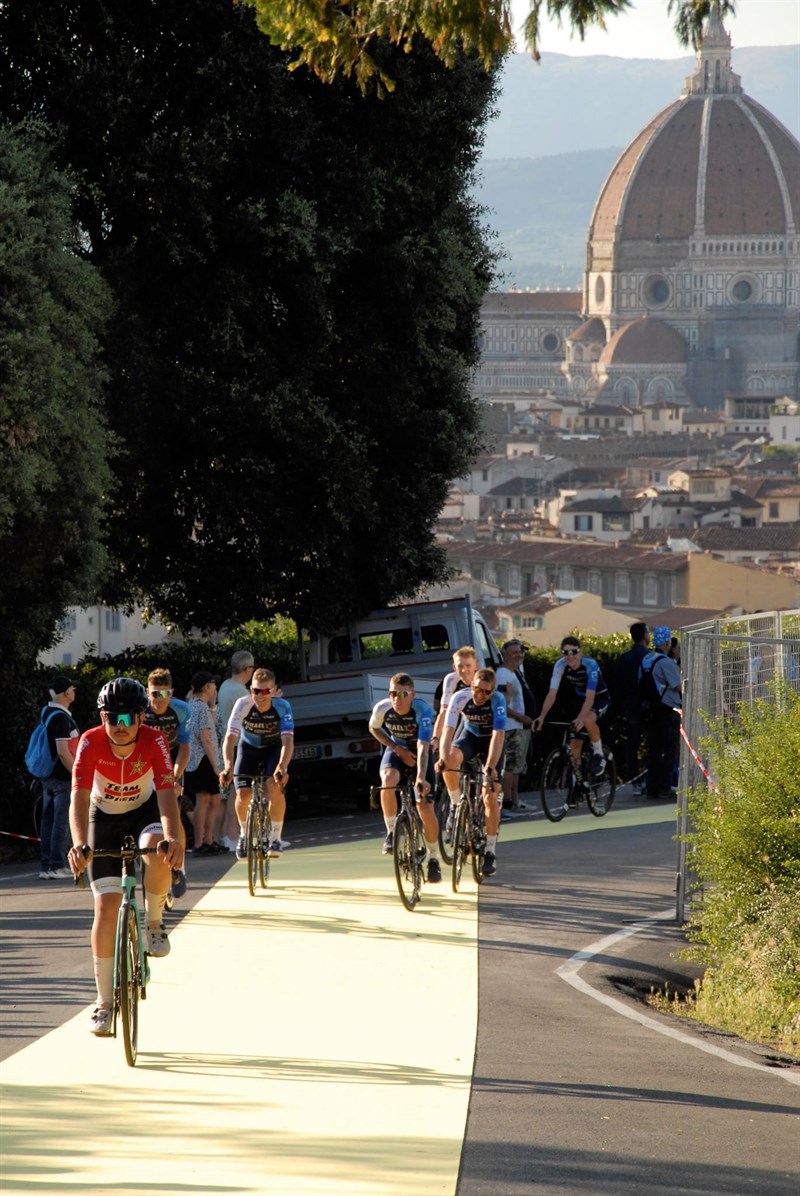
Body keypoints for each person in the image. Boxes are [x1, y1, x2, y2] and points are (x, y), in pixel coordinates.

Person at [67, 677, 184, 1036]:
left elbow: (166, 795)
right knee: (105, 908)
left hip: (145, 810)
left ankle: (152, 923)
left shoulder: (154, 740)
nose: (120, 727)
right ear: (102, 718)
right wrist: (79, 844)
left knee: (158, 848)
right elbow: (79, 797)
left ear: (140, 718)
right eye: (112, 718)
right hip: (102, 817)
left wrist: (173, 837)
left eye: (128, 719)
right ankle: (104, 1003)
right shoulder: (90, 742)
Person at [368, 672, 440, 883]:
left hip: (421, 752)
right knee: (388, 780)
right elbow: (373, 728)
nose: (397, 699)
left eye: (402, 694)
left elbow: (423, 746)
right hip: (398, 748)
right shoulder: (383, 708)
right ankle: (391, 832)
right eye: (393, 694)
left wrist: (420, 777)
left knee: (425, 807)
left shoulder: (422, 710)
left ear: (412, 694)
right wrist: (396, 749)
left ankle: (434, 857)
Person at [438, 667, 506, 878]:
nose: (480, 695)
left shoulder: (498, 702)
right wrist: (441, 758)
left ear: (492, 692)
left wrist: (491, 766)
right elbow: (448, 731)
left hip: (491, 743)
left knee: (490, 795)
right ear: (471, 686)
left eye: (486, 692)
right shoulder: (461, 697)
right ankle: (455, 805)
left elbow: (498, 736)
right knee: (450, 760)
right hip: (469, 736)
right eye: (477, 689)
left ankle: (490, 851)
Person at [220, 667, 294, 861]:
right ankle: (244, 835)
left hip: (272, 749)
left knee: (274, 786)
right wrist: (228, 766)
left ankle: (275, 838)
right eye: (255, 691)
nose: (260, 696)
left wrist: (282, 766)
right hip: (249, 749)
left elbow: (287, 742)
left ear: (273, 690)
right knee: (242, 793)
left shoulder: (283, 706)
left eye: (265, 691)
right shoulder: (242, 704)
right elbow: (230, 738)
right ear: (250, 689)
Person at [533, 635, 609, 776]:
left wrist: (580, 718)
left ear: (580, 652)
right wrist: (542, 716)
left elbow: (590, 697)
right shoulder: (560, 665)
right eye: (565, 653)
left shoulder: (590, 665)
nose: (570, 657)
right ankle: (577, 784)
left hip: (599, 698)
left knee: (586, 719)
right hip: (580, 700)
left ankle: (598, 752)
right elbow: (551, 695)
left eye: (574, 652)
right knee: (574, 746)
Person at [38, 675, 80, 879]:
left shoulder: (47, 712)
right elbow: (63, 751)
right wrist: (77, 774)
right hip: (63, 777)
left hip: (47, 775)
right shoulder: (62, 718)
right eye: (72, 689)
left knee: (48, 821)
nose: (74, 692)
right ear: (66, 693)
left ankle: (46, 866)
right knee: (61, 822)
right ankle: (57, 865)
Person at [216, 650, 255, 850]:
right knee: (237, 795)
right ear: (248, 670)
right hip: (239, 746)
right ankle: (232, 835)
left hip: (227, 743)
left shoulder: (225, 686)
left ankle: (225, 835)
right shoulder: (240, 692)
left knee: (230, 795)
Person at [184, 672, 225, 854]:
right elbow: (206, 737)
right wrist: (216, 765)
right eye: (213, 685)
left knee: (214, 799)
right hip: (202, 759)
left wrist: (213, 706)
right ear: (207, 686)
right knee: (205, 799)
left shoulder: (196, 706)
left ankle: (208, 839)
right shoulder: (199, 707)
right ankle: (201, 842)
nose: (215, 688)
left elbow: (210, 725)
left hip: (200, 758)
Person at [640, 626, 683, 800]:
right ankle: (665, 787)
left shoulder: (646, 659)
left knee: (654, 750)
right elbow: (678, 685)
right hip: (667, 709)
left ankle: (652, 787)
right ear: (667, 642)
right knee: (670, 749)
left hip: (651, 709)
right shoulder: (665, 662)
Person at [495, 640, 535, 815]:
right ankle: (506, 803)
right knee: (510, 767)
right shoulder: (504, 675)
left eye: (519, 652)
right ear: (505, 656)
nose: (518, 655)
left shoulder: (513, 672)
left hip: (517, 726)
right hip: (511, 727)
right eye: (514, 653)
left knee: (517, 766)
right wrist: (522, 718)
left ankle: (515, 800)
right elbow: (504, 704)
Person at [617, 623, 651, 788]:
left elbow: (619, 684)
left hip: (630, 706)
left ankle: (634, 780)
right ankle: (649, 777)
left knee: (632, 745)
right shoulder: (649, 656)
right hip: (648, 706)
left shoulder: (624, 658)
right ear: (644, 635)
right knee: (652, 743)